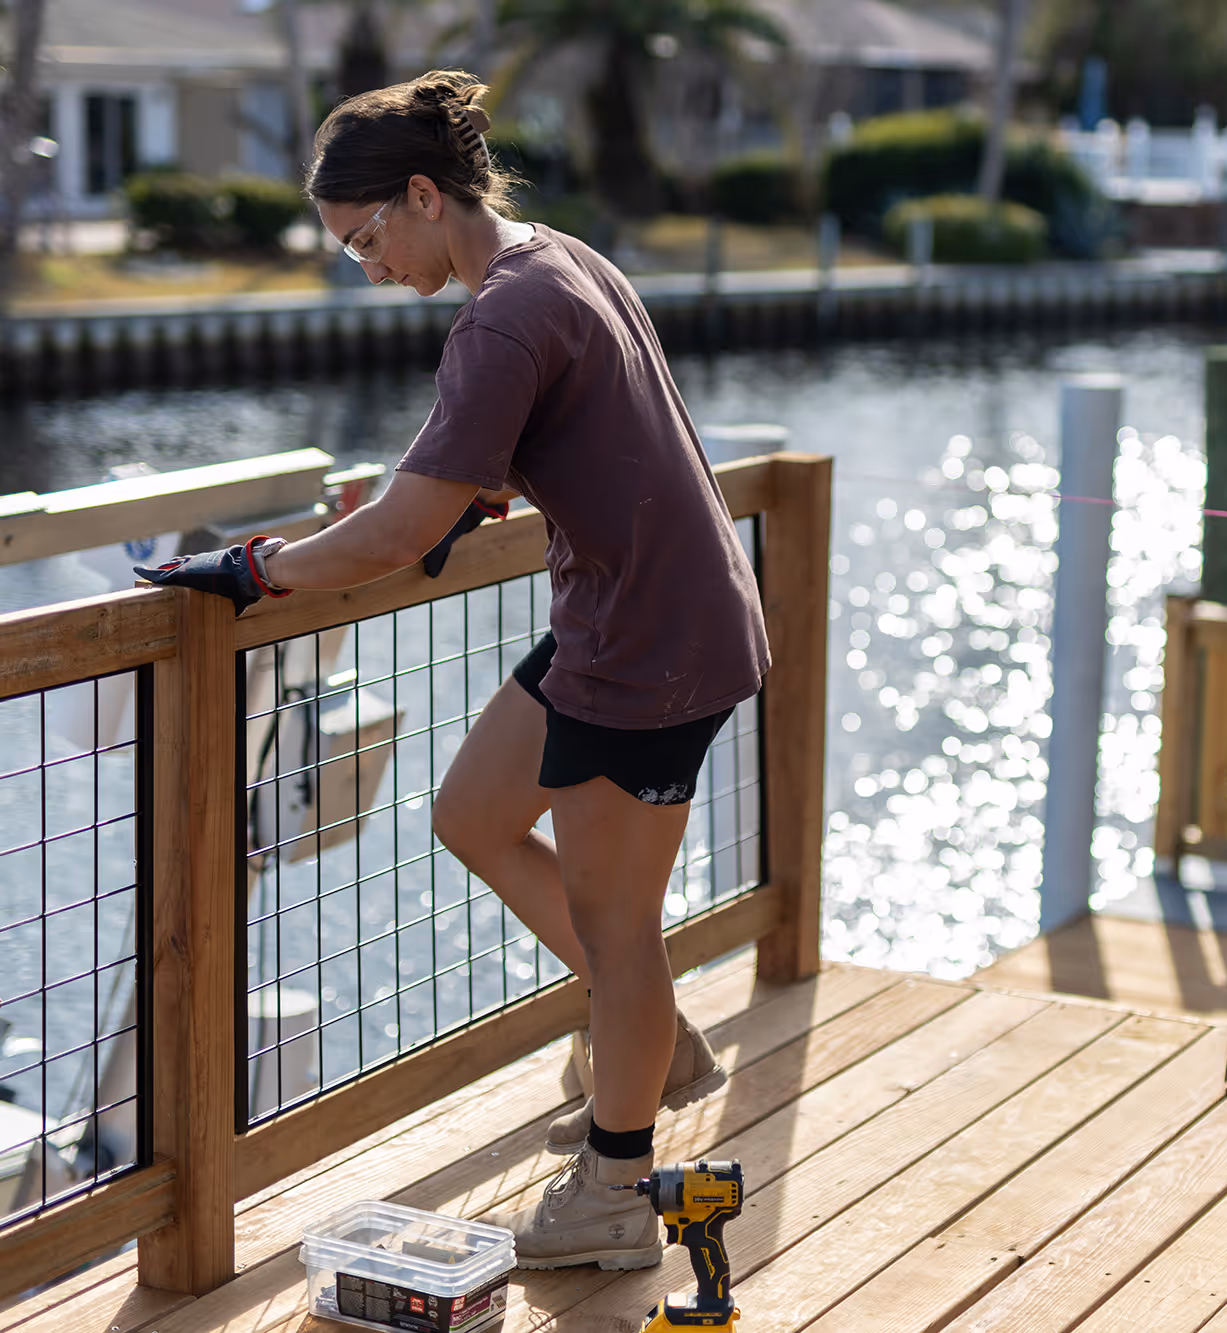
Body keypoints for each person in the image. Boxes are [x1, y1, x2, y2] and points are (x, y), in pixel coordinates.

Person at [136, 70, 769, 1272]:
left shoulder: (502, 315)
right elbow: (550, 443)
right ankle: (652, 1042)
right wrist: (447, 498)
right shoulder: (552, 259)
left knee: (614, 926)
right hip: (632, 611)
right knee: (473, 813)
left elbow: (389, 535)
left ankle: (614, 1191)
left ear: (423, 195)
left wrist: (255, 571)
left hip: (649, 643)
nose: (364, 266)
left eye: (365, 239)